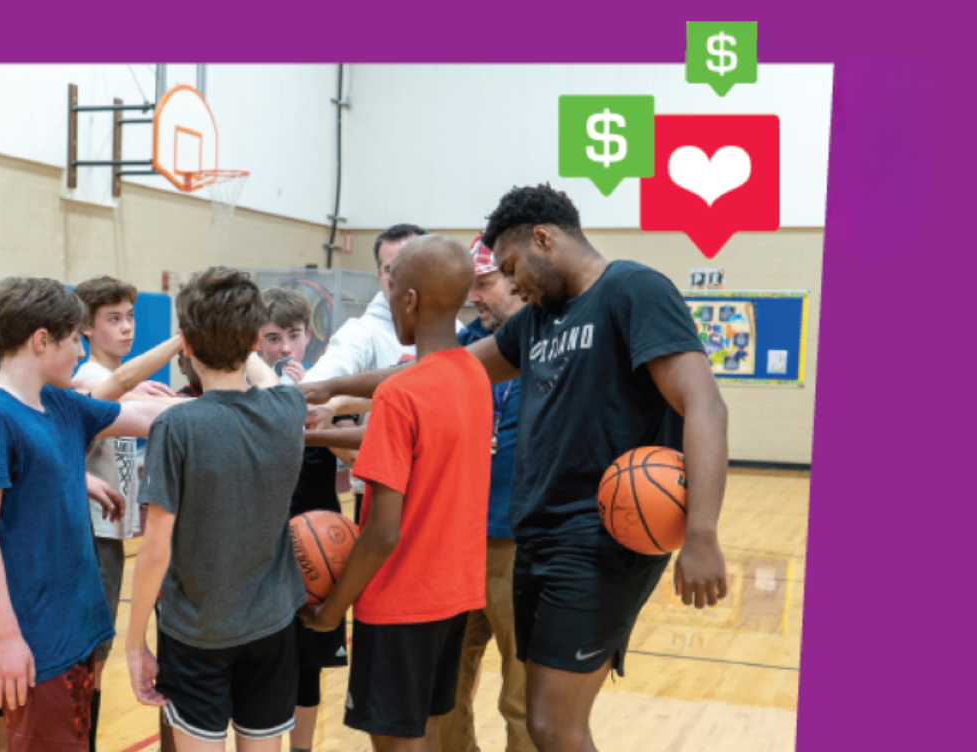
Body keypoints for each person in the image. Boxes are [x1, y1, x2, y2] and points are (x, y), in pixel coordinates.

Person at [300, 184, 730, 752]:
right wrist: (329, 390)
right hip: (539, 539)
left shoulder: (633, 290)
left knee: (551, 725)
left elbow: (704, 402)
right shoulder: (536, 323)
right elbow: (437, 375)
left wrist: (701, 533)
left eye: (510, 265)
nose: (512, 283)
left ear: (544, 239)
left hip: (600, 542)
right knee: (540, 721)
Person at [0, 277, 172, 752]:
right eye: (74, 338)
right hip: (34, 640)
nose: (79, 350)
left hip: (76, 627)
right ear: (41, 340)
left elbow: (150, 418)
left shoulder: (59, 403)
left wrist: (239, 407)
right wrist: (7, 638)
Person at [301, 235, 491, 752]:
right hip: (455, 595)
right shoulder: (474, 375)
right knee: (427, 733)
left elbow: (382, 532)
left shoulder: (399, 395)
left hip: (400, 602)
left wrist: (330, 610)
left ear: (407, 301)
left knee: (396, 745)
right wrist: (321, 415)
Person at [125, 267, 307, 752]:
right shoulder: (289, 408)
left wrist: (135, 641)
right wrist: (246, 346)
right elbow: (267, 379)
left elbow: (155, 550)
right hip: (272, 625)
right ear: (253, 340)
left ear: (185, 344)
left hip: (196, 632)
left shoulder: (178, 425)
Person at [71, 275, 185, 751]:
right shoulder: (87, 376)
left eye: (131, 317)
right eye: (113, 319)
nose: (125, 328)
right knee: (88, 661)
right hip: (90, 533)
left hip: (112, 532)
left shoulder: (126, 382)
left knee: (96, 659)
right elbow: (115, 392)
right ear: (85, 328)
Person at [440, 235, 533, 752]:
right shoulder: (458, 349)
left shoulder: (550, 344)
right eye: (468, 287)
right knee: (445, 689)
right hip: (455, 542)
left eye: (484, 285)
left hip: (519, 546)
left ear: (517, 282)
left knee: (521, 697)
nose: (473, 298)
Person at [258, 287, 349, 752]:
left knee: (309, 666)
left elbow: (349, 455)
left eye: (293, 335)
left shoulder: (324, 390)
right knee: (263, 666)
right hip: (261, 551)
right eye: (273, 338)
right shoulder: (246, 395)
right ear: (256, 341)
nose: (285, 348)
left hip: (319, 546)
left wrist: (318, 413)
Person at [303, 223, 426, 523]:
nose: (402, 279)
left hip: (439, 491)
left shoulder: (459, 334)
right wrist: (326, 403)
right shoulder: (362, 332)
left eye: (413, 266)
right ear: (380, 275)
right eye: (392, 269)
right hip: (381, 493)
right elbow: (316, 384)